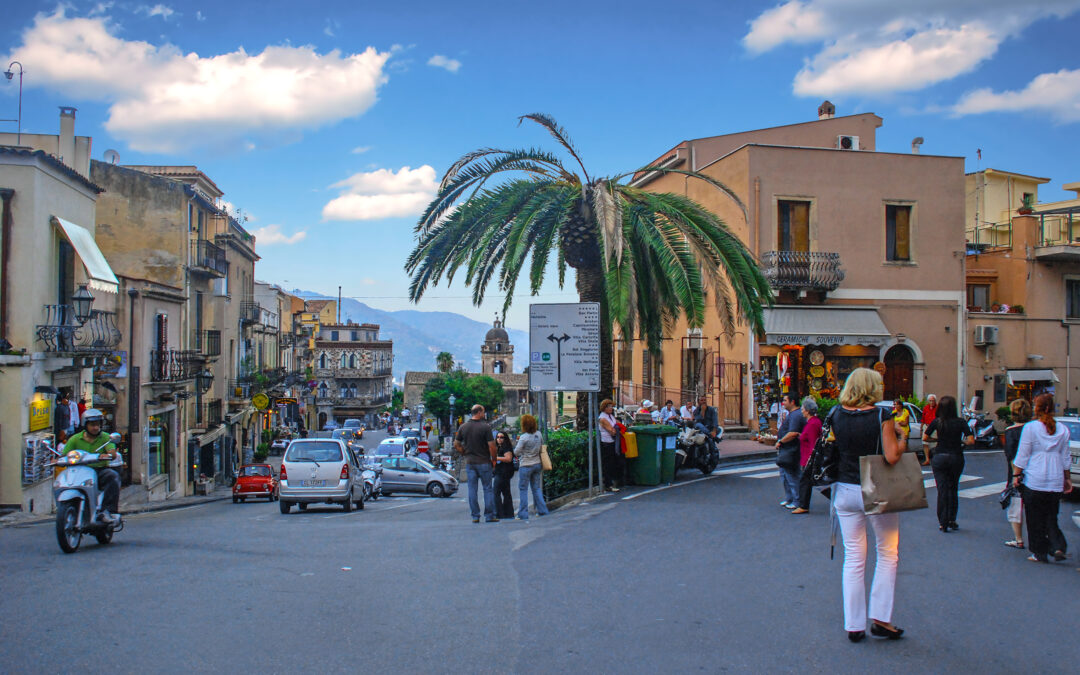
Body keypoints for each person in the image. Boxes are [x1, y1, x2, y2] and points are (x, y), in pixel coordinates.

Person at [831, 368, 906, 642]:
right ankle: (881, 620)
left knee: (853, 557)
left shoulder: (836, 414)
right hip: (874, 485)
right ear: (872, 387)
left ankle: (854, 625)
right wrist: (901, 437)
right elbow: (891, 456)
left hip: (844, 488)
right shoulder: (880, 416)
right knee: (887, 552)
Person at [1013, 393, 1072, 563]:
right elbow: (1065, 457)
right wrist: (1066, 478)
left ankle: (1039, 552)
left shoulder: (1031, 428)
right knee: (1051, 516)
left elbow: (1023, 455)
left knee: (1034, 518)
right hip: (1055, 477)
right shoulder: (1063, 429)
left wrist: (1017, 475)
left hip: (1035, 478)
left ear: (1037, 409)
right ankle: (1058, 545)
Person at [921, 395, 973, 532]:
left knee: (942, 489)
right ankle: (952, 519)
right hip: (956, 456)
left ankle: (942, 522)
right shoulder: (960, 422)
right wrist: (962, 442)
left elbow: (925, 437)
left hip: (939, 456)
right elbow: (971, 440)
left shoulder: (937, 422)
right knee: (953, 488)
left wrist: (936, 441)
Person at [63, 409, 121, 523]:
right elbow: (64, 454)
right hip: (79, 471)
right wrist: (58, 459)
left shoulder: (105, 437)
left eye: (98, 425)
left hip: (99, 470)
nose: (95, 428)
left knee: (112, 476)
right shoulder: (75, 439)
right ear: (85, 425)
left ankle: (108, 511)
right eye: (92, 425)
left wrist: (108, 455)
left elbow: (112, 451)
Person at [454, 405, 498, 523]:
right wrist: (494, 459)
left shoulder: (463, 427)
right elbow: (492, 446)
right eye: (483, 412)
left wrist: (464, 452)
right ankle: (489, 516)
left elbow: (456, 444)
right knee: (487, 489)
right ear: (479, 413)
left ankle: (475, 516)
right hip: (484, 462)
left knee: (472, 490)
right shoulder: (485, 427)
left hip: (470, 462)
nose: (484, 414)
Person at [1002, 398, 1031, 549]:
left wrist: (1015, 475)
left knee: (1015, 506)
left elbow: (1011, 455)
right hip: (1033, 472)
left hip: (1016, 473)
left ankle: (1018, 539)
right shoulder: (1033, 428)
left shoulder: (1010, 431)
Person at [792, 397, 822, 514]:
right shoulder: (812, 422)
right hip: (807, 457)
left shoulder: (812, 424)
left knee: (806, 482)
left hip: (808, 458)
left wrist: (811, 459)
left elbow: (813, 443)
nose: (802, 411)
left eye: (803, 409)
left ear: (808, 411)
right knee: (809, 481)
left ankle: (803, 505)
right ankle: (803, 504)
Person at [514, 414, 548, 520]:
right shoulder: (538, 434)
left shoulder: (524, 437)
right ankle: (542, 510)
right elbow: (542, 446)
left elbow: (517, 451)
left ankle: (523, 513)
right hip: (537, 463)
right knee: (536, 488)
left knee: (523, 489)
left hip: (526, 465)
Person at [774, 394, 804, 509]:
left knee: (791, 475)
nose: (783, 403)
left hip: (791, 449)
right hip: (786, 450)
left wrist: (781, 441)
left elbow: (793, 433)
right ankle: (789, 498)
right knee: (785, 475)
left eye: (785, 400)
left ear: (792, 402)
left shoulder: (796, 415)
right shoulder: (792, 415)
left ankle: (796, 500)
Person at [597, 399, 622, 493]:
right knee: (608, 464)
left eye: (612, 406)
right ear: (605, 408)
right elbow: (612, 431)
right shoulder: (603, 418)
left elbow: (618, 424)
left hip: (612, 442)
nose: (611, 408)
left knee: (613, 463)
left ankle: (613, 482)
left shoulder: (610, 416)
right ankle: (608, 484)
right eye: (609, 406)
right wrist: (616, 429)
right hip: (607, 442)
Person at [492, 431, 515, 520]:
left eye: (501, 437)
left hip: (503, 472)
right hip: (501, 471)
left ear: (505, 438)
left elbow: (508, 458)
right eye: (498, 437)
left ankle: (499, 513)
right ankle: (508, 513)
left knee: (496, 492)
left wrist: (496, 458)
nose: (499, 439)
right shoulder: (498, 447)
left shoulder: (506, 447)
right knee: (506, 492)